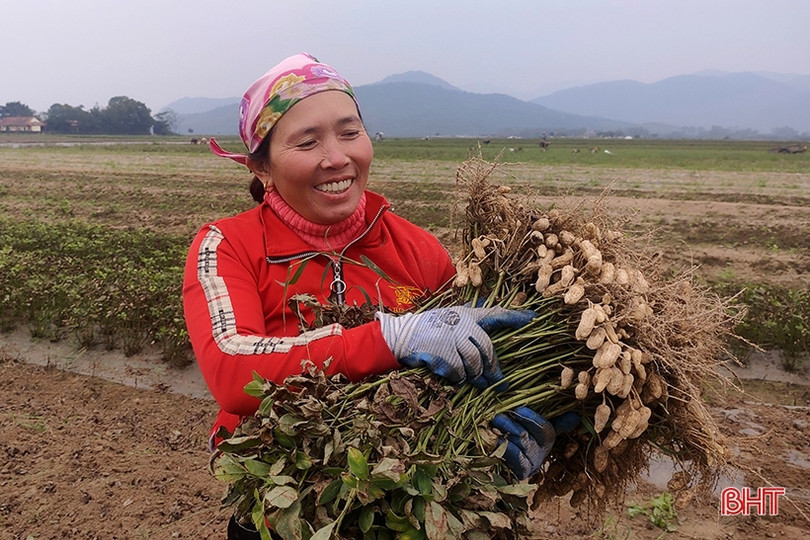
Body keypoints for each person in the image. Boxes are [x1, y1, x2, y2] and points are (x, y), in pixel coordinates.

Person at [182, 53, 565, 539]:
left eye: (349, 132)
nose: (337, 157)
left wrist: (506, 419)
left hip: (410, 509)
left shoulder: (419, 251)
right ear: (261, 167)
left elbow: (462, 368)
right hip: (282, 511)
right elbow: (234, 371)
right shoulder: (228, 245)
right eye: (307, 141)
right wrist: (390, 336)